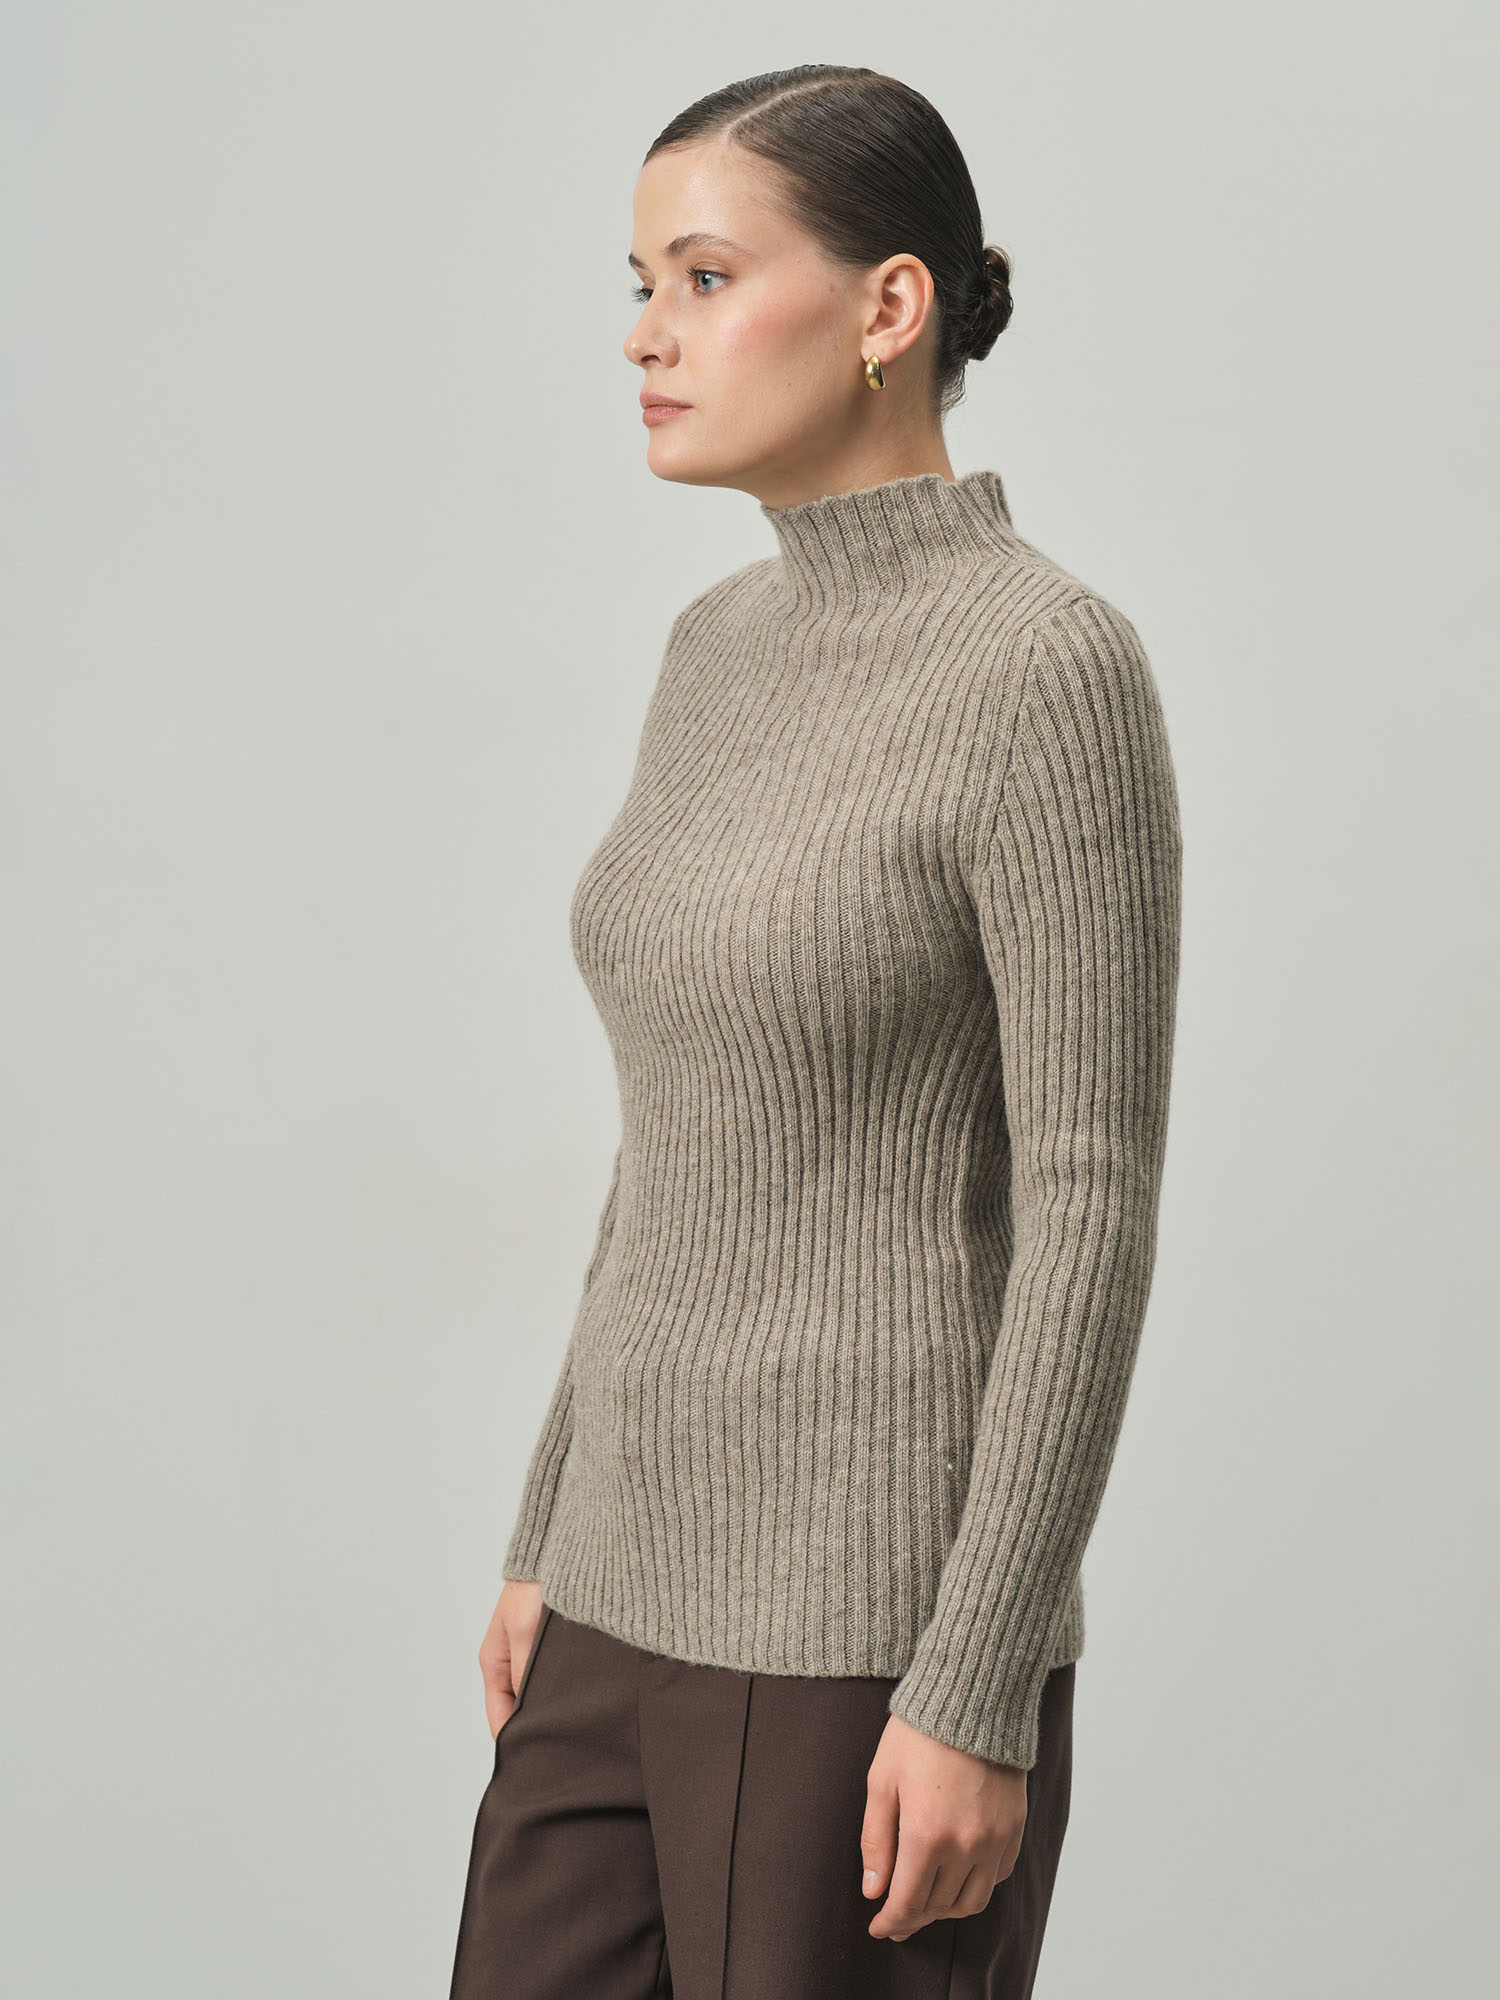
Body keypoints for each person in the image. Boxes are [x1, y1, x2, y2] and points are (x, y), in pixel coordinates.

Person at [449, 62, 1183, 2000]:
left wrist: (977, 1679)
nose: (646, 334)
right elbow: (678, 1138)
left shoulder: (1047, 666)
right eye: (640, 285)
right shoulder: (713, 652)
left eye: (703, 278)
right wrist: (547, 1529)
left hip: (867, 1641)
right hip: (611, 1596)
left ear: (889, 307)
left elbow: (1090, 1201)